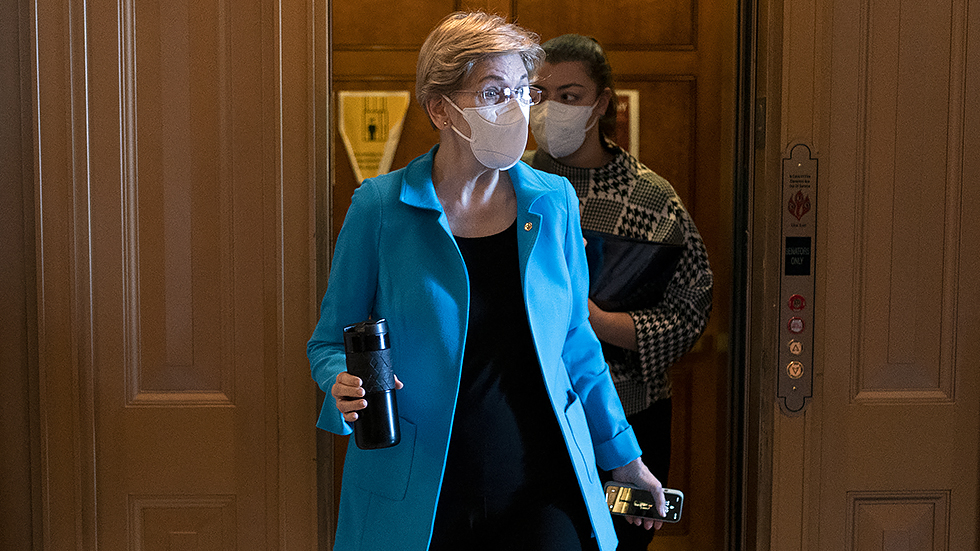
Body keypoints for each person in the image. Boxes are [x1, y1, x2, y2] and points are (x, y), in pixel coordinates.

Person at [308, 12, 666, 551]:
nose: (517, 108)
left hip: (542, 480)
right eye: (494, 92)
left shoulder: (553, 202)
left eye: (523, 90)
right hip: (419, 483)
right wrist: (342, 380)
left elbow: (576, 344)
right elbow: (329, 342)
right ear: (440, 108)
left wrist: (625, 457)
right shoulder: (380, 209)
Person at [525, 34, 714, 549]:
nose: (550, 109)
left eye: (569, 95)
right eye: (538, 94)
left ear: (602, 102)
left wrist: (592, 320)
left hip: (633, 414)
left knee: (623, 541)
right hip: (531, 410)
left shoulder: (652, 200)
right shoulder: (505, 186)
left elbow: (690, 313)